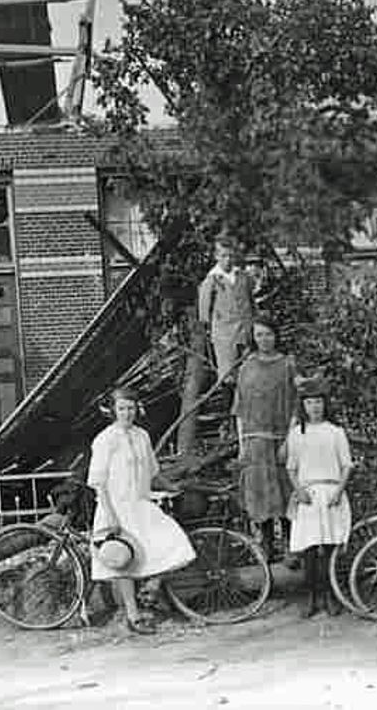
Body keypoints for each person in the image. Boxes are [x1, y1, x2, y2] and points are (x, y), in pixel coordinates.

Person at [87, 385, 196, 634]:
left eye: (131, 408)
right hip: (115, 506)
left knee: (175, 542)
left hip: (139, 503)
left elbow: (153, 472)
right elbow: (98, 482)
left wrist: (173, 487)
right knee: (124, 560)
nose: (127, 413)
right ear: (113, 411)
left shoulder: (141, 436)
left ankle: (152, 589)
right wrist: (110, 515)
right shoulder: (105, 439)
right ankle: (133, 615)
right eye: (122, 408)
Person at [285, 374, 353, 617]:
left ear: (325, 404)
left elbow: (346, 465)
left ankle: (331, 595)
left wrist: (339, 491)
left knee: (330, 548)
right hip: (308, 495)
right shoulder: (296, 433)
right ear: (303, 406)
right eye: (309, 403)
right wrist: (299, 490)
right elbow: (291, 467)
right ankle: (312, 596)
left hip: (332, 492)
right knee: (310, 550)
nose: (314, 407)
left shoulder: (336, 431)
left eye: (318, 402)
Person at [232, 316, 297, 561]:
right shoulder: (246, 367)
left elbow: (295, 405)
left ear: (276, 335)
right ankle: (267, 546)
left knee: (285, 490)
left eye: (268, 334)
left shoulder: (288, 365)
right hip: (254, 441)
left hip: (281, 438)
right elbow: (239, 408)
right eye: (259, 335)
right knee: (261, 495)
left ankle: (291, 546)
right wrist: (242, 445)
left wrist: (290, 439)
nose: (264, 339)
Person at [197, 233, 256, 385]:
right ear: (216, 256)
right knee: (228, 376)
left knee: (249, 373)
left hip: (246, 332)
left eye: (230, 256)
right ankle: (229, 406)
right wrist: (213, 330)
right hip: (225, 335)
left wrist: (253, 326)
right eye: (223, 256)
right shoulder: (212, 280)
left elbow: (251, 302)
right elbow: (204, 312)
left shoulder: (243, 276)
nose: (227, 260)